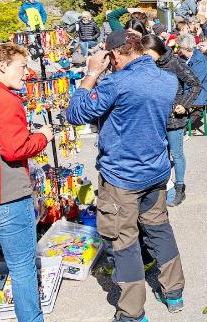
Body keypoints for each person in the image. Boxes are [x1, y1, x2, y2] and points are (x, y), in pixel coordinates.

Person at [66, 30, 185, 322]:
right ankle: (174, 292)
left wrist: (92, 74)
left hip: (122, 176)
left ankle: (132, 312)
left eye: (111, 58)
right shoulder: (166, 79)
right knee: (158, 228)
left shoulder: (115, 83)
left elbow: (75, 113)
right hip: (155, 170)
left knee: (124, 240)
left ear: (116, 54)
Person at [0, 44, 53, 322]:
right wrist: (42, 137)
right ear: (2, 67)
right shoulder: (6, 100)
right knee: (21, 268)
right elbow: (14, 149)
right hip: (6, 196)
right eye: (21, 66)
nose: (26, 72)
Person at [142, 34, 201, 207]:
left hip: (175, 118)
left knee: (176, 153)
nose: (144, 56)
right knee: (161, 154)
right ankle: (165, 187)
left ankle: (180, 187)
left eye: (146, 52)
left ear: (155, 49)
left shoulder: (175, 63)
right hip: (156, 117)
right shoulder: (149, 65)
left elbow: (196, 84)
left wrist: (184, 105)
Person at [176, 33, 207, 114]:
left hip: (202, 94)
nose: (178, 49)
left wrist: (181, 97)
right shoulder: (188, 56)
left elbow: (194, 83)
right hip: (195, 90)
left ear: (186, 48)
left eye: (179, 47)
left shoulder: (199, 61)